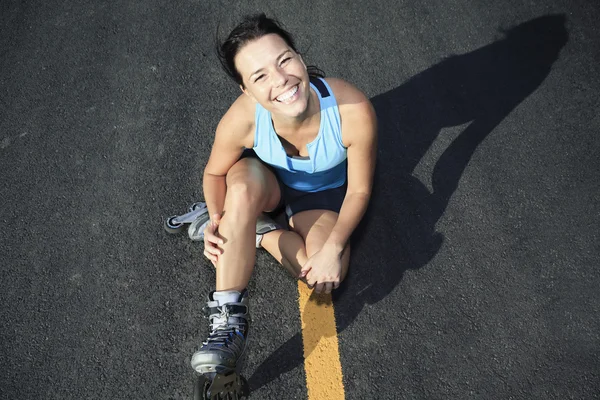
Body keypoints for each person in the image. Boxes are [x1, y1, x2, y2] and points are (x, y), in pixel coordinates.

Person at [188, 13, 377, 375]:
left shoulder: (353, 109)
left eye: (285, 60)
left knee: (321, 279)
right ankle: (228, 320)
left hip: (321, 199)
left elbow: (360, 190)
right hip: (267, 183)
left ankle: (259, 233)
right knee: (239, 185)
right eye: (260, 76)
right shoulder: (242, 118)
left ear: (299, 57)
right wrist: (216, 217)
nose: (281, 80)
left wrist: (334, 246)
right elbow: (214, 173)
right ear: (247, 89)